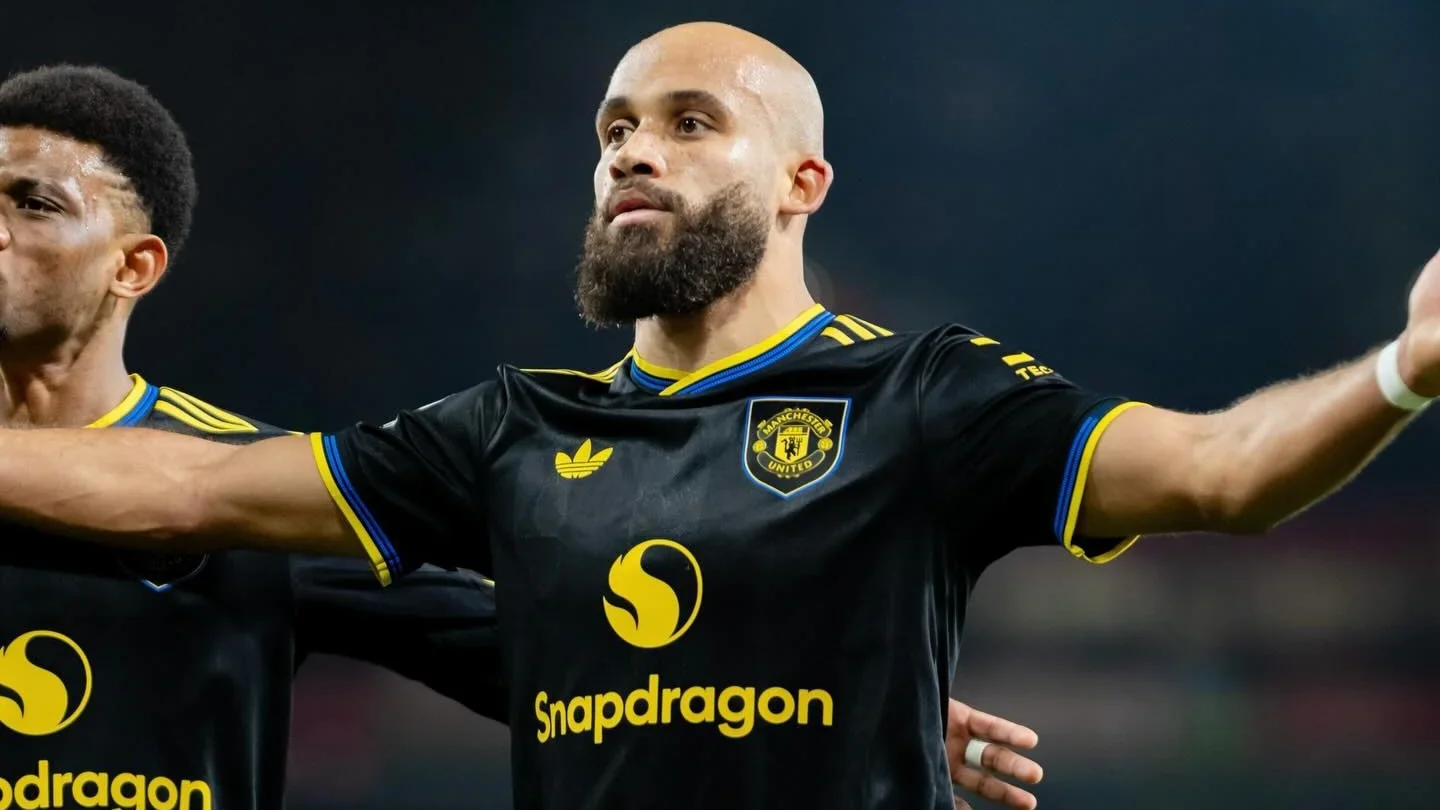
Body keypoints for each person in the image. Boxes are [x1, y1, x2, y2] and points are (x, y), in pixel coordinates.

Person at [0, 62, 1047, 810]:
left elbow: (548, 657)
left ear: (133, 265)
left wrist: (840, 702)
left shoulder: (235, 492)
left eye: (29, 202)